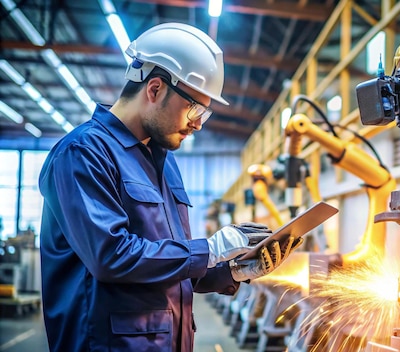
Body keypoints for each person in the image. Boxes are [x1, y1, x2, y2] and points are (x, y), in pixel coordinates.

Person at [38, 22, 302, 352]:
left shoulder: (163, 160)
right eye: (195, 109)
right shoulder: (83, 154)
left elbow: (171, 264)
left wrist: (232, 270)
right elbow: (111, 257)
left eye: (204, 113)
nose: (198, 123)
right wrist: (211, 248)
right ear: (155, 89)